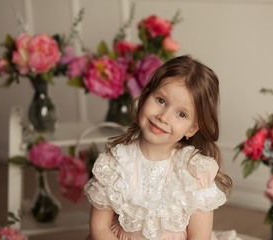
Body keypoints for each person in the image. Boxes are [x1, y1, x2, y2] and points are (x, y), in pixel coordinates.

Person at [84, 55, 239, 240]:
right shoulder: (114, 164)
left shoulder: (195, 171)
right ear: (145, 95)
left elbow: (199, 237)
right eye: (161, 100)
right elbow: (99, 229)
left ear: (192, 128)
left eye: (181, 114)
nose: (164, 117)